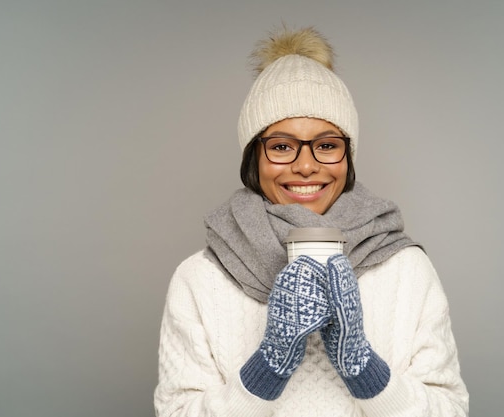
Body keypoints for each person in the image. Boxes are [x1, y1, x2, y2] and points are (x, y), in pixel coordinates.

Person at [154, 26, 469, 417]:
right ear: (254, 157)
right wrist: (266, 369)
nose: (306, 165)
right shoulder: (200, 279)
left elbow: (450, 410)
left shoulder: (406, 270)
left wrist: (363, 368)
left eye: (326, 145)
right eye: (282, 146)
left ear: (348, 156)